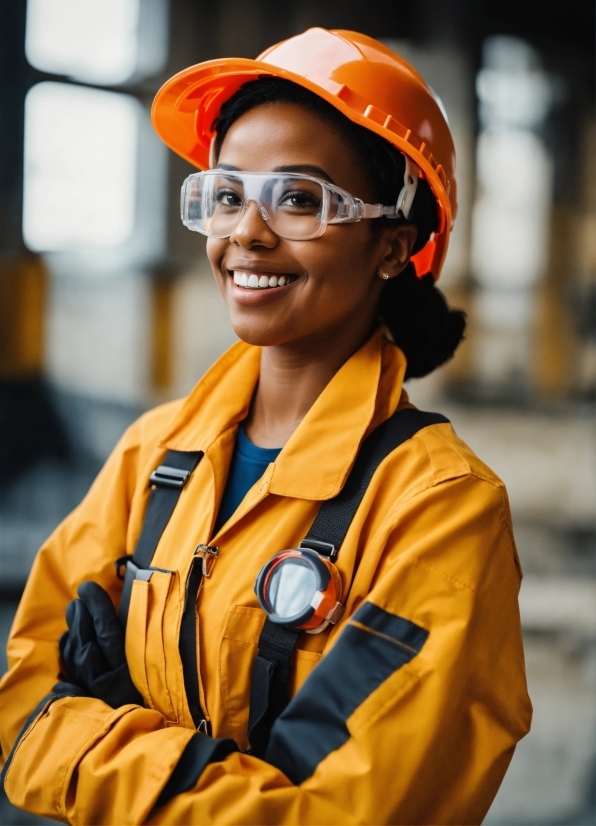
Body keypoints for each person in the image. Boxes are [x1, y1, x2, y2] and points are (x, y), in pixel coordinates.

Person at [0, 28, 531, 825]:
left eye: (299, 199)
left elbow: (347, 813)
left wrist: (98, 744)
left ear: (393, 245)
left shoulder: (440, 511)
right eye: (225, 194)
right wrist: (210, 776)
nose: (246, 232)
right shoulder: (156, 455)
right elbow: (19, 717)